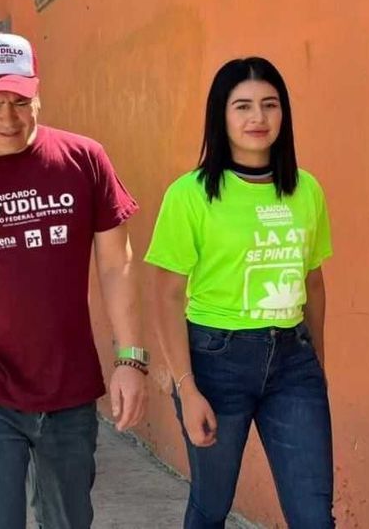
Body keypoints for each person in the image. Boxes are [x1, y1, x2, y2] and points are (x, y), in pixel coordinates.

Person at [0, 33, 149, 529]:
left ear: (38, 94)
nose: (9, 118)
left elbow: (115, 264)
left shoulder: (84, 160)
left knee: (69, 520)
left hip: (69, 388)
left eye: (20, 101)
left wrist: (131, 358)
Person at [145, 57, 334, 528]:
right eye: (243, 106)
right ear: (221, 116)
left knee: (314, 515)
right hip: (215, 360)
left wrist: (318, 363)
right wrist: (186, 388)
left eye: (270, 105)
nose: (258, 118)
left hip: (294, 363)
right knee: (211, 505)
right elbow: (167, 295)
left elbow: (312, 281)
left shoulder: (306, 191)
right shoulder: (190, 194)